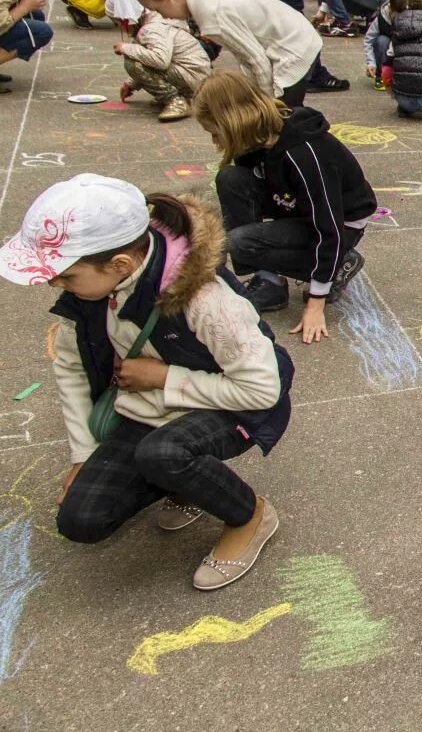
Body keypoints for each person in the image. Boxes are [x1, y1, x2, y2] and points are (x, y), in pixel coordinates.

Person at [3, 175, 293, 588]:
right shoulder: (90, 293)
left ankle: (249, 516)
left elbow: (262, 390)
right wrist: (83, 454)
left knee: (164, 453)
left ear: (120, 264)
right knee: (82, 520)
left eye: (65, 276)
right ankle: (185, 481)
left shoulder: (207, 300)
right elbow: (69, 368)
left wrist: (164, 376)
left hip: (234, 404)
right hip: (149, 408)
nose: (55, 284)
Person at [190, 73, 373, 348]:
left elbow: (328, 225)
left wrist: (316, 302)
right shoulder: (258, 139)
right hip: (296, 204)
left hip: (341, 224)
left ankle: (335, 268)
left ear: (233, 121)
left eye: (215, 131)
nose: (215, 139)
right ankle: (269, 282)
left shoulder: (304, 151)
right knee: (231, 178)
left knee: (240, 242)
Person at [132, 0, 336, 108]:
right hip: (293, 36)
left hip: (294, 47)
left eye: (158, 10)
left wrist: (264, 105)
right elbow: (248, 57)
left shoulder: (212, 15)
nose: (164, 18)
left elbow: (256, 59)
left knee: (282, 120)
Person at [104, 0, 207, 122]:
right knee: (138, 57)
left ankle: (176, 101)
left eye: (118, 21)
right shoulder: (156, 19)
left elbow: (160, 60)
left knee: (132, 61)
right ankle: (184, 96)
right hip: (195, 74)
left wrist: (126, 48)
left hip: (192, 75)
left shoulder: (152, 28)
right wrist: (131, 84)